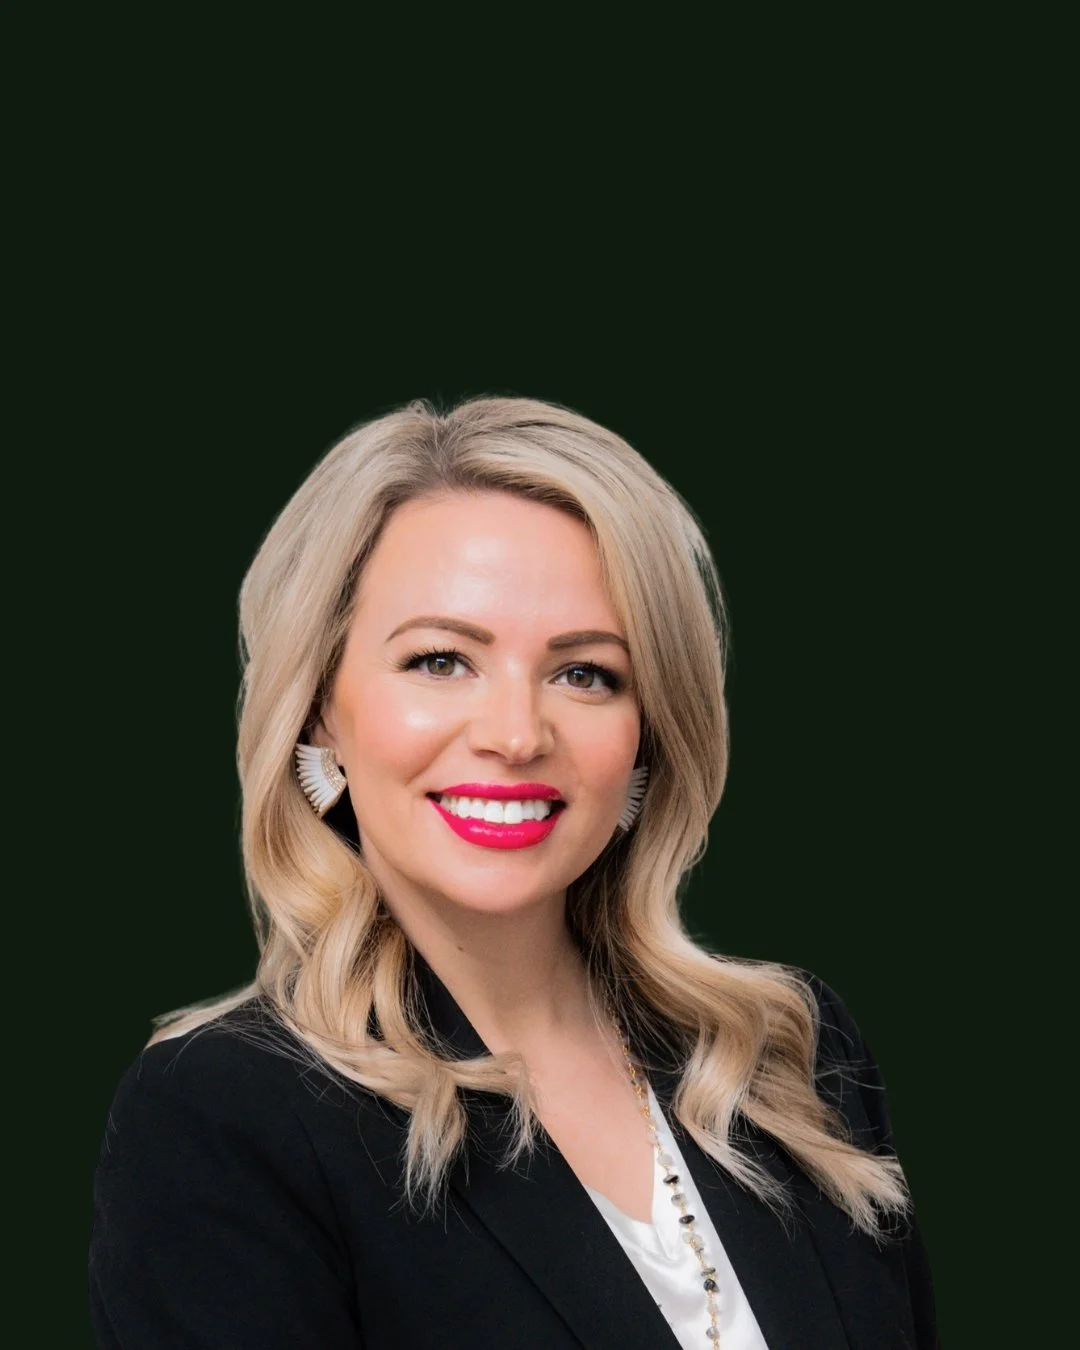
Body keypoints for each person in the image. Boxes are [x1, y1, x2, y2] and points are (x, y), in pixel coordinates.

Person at [88, 396, 938, 1349]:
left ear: (648, 734)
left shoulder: (789, 1057)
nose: (517, 735)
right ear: (322, 707)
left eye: (586, 674)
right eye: (441, 660)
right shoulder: (225, 1118)